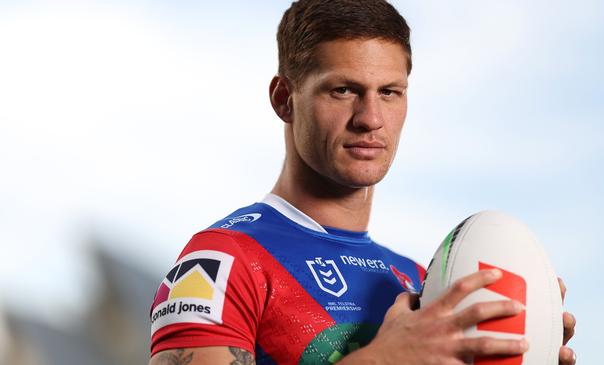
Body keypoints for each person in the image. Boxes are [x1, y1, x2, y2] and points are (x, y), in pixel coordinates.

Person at [148, 1, 577, 364]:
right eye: (343, 90)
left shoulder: (418, 282)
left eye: (390, 92)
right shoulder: (224, 260)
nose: (370, 119)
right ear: (284, 98)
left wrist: (529, 345)